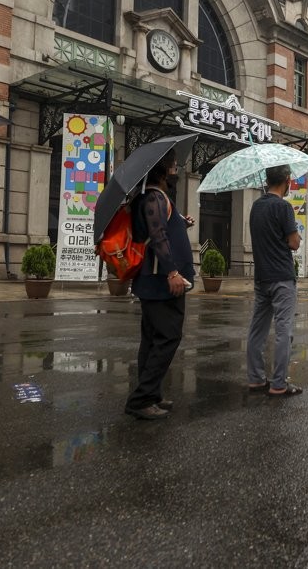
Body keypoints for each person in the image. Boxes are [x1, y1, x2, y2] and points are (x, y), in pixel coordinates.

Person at [125, 150, 195, 420]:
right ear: (163, 169)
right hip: (159, 281)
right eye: (173, 164)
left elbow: (161, 230)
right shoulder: (154, 196)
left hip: (153, 281)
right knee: (167, 338)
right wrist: (172, 273)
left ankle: (150, 393)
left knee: (152, 340)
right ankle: (141, 399)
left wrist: (180, 223)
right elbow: (157, 237)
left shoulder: (152, 196)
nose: (176, 169)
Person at [246, 165, 303, 397]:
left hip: (262, 277)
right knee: (283, 331)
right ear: (287, 180)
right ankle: (279, 383)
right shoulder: (283, 207)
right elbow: (294, 243)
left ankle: (256, 379)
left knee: (257, 330)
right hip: (281, 277)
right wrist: (295, 231)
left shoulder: (255, 206)